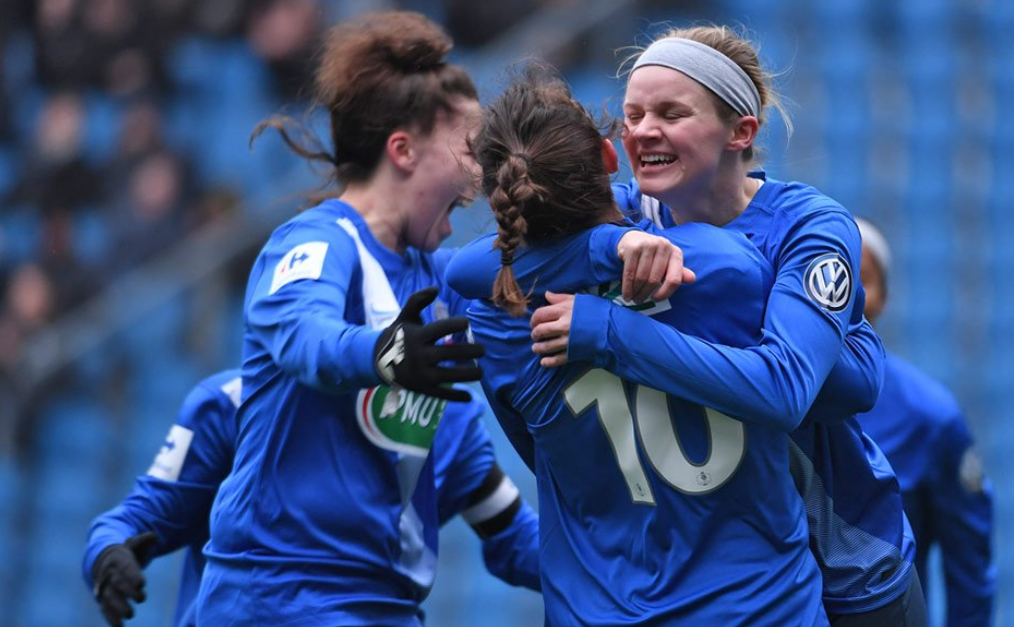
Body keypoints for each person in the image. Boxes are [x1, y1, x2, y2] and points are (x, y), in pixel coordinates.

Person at [514, 26, 927, 626]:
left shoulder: (808, 226)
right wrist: (611, 245)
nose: (642, 130)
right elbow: (476, 266)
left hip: (846, 565)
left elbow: (785, 390)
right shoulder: (632, 216)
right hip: (727, 576)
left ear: (741, 132)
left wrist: (611, 331)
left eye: (670, 112)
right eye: (632, 114)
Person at [448, 64, 828, 626]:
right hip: (760, 608)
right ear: (609, 158)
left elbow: (538, 458)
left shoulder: (496, 318)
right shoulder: (719, 263)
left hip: (595, 609)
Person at [195, 12, 508, 627]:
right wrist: (385, 355)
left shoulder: (435, 281)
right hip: (280, 596)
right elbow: (306, 341)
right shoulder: (314, 243)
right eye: (470, 147)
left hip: (382, 605)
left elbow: (500, 517)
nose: (482, 170)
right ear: (403, 149)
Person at [82, 370, 540, 627]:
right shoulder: (234, 404)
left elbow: (514, 537)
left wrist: (609, 563)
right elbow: (138, 516)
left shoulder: (447, 421)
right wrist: (107, 552)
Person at [854, 218, 995, 627]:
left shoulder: (931, 417)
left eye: (860, 279)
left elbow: (968, 565)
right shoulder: (764, 398)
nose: (842, 296)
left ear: (885, 296)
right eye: (824, 276)